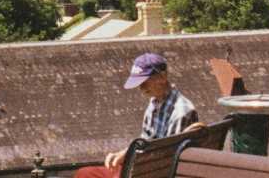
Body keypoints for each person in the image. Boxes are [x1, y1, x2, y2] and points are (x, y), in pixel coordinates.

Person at [73, 52, 201, 178]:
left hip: (150, 171)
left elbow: (167, 160)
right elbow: (145, 140)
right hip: (142, 165)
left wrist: (130, 162)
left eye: (144, 82)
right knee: (85, 173)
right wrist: (124, 154)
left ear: (162, 77)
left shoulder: (181, 112)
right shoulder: (155, 101)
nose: (141, 88)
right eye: (138, 83)